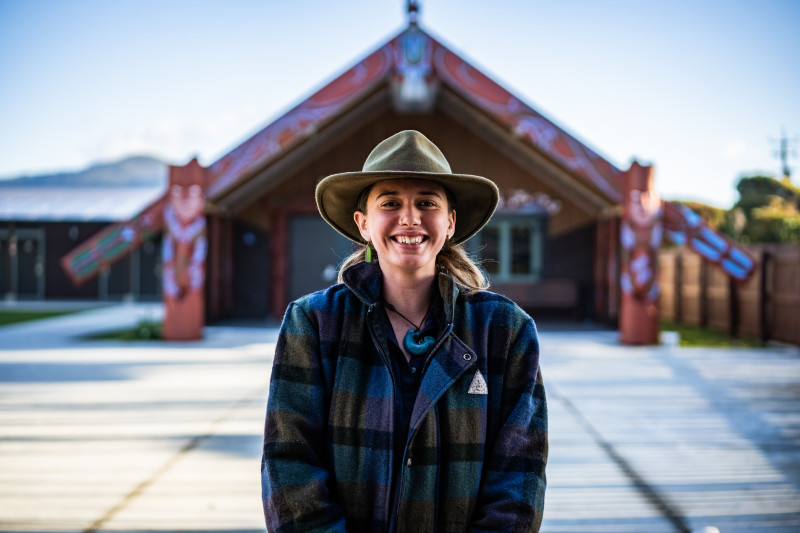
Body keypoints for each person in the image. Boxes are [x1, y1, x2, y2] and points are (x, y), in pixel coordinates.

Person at [261, 130, 548, 532]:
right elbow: (289, 460)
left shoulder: (504, 330)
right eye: (390, 202)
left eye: (427, 203)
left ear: (449, 223)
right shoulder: (313, 322)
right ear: (363, 224)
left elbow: (519, 475)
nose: (409, 218)